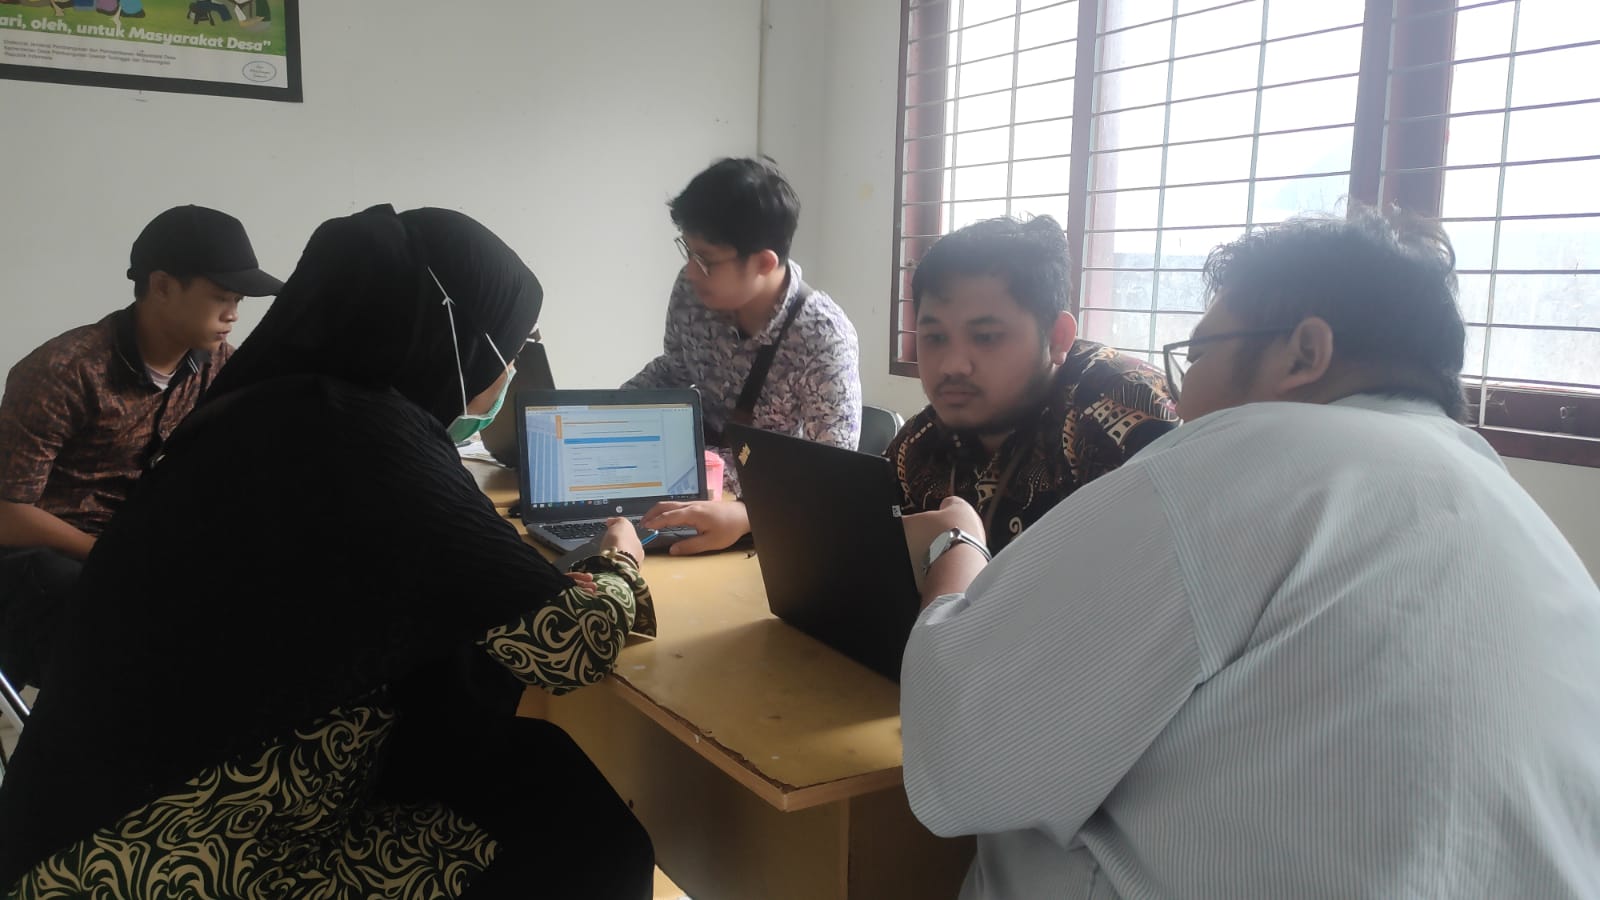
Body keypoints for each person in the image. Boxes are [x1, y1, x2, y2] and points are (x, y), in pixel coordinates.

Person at [898, 208, 1600, 898]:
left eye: (1198, 355)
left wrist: (956, 555)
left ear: (1303, 354)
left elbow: (956, 757)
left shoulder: (1243, 453)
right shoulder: (1517, 512)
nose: (1178, 399)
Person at [0, 205, 657, 899]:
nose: (513, 370)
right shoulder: (368, 440)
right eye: (515, 347)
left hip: (86, 815)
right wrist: (620, 555)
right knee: (579, 834)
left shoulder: (274, 402)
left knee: (535, 773)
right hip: (164, 856)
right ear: (460, 339)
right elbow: (568, 643)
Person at [0, 204, 282, 688]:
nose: (233, 314)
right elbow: (7, 513)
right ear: (163, 286)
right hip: (36, 561)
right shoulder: (64, 371)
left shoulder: (218, 366)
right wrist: (114, 556)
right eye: (220, 297)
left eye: (238, 299)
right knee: (144, 624)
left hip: (134, 546)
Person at [885, 215, 1177, 555]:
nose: (952, 365)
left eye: (986, 337)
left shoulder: (1123, 413)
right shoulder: (914, 448)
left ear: (1057, 337)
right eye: (935, 337)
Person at [627, 157, 862, 554]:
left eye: (705, 260)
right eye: (688, 251)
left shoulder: (823, 337)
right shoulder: (692, 293)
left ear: (764, 263)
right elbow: (674, 371)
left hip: (766, 516)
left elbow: (833, 474)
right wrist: (602, 417)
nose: (691, 271)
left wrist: (746, 516)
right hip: (686, 485)